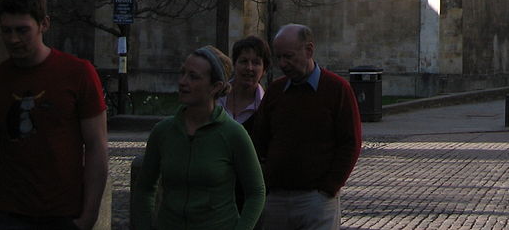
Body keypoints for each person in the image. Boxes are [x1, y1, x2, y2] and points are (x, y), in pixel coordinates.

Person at [0, 0, 108, 230]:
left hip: (64, 214)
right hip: (8, 214)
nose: (13, 39)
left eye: (22, 31)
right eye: (7, 31)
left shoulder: (78, 74)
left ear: (44, 24)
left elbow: (97, 146)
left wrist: (87, 217)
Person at [132, 46, 266, 230]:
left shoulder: (233, 133)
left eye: (193, 76)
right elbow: (144, 188)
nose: (183, 82)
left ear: (215, 87)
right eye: (182, 73)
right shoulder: (163, 131)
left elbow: (256, 192)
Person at [253, 24, 362, 230]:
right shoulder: (276, 91)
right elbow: (260, 138)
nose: (283, 64)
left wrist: (329, 187)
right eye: (279, 58)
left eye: (289, 56)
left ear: (309, 50)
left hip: (316, 199)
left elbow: (351, 143)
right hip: (276, 197)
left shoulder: (337, 89)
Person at [219, 36, 271, 132]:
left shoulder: (266, 107)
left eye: (256, 63)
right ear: (234, 64)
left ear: (264, 70)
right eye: (244, 61)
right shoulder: (216, 97)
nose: (249, 68)